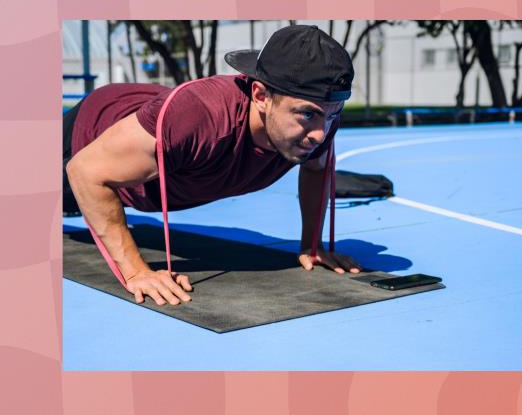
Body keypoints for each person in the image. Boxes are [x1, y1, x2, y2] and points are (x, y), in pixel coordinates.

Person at [64, 24, 362, 307]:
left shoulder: (317, 126)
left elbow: (317, 168)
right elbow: (84, 170)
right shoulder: (200, 117)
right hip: (90, 130)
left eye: (333, 115)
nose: (321, 134)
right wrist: (136, 272)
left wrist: (312, 245)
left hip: (154, 138)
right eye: (307, 114)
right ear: (261, 96)